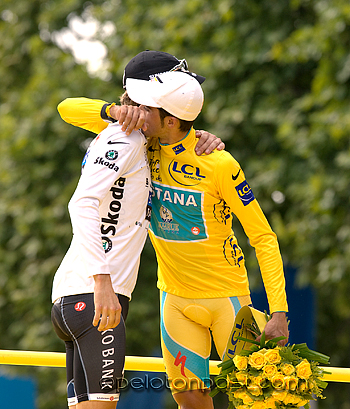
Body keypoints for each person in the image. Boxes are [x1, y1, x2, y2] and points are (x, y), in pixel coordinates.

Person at [58, 52, 289, 409]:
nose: (137, 111)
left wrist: (279, 312)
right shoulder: (139, 141)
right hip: (175, 301)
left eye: (145, 108)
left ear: (168, 119)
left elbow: (263, 237)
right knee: (190, 400)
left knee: (257, 400)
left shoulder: (218, 162)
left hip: (227, 298)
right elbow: (66, 108)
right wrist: (112, 111)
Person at [51, 51, 223, 409]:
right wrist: (102, 283)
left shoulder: (138, 138)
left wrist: (201, 139)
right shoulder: (124, 138)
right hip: (96, 298)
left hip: (79, 297)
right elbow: (80, 204)